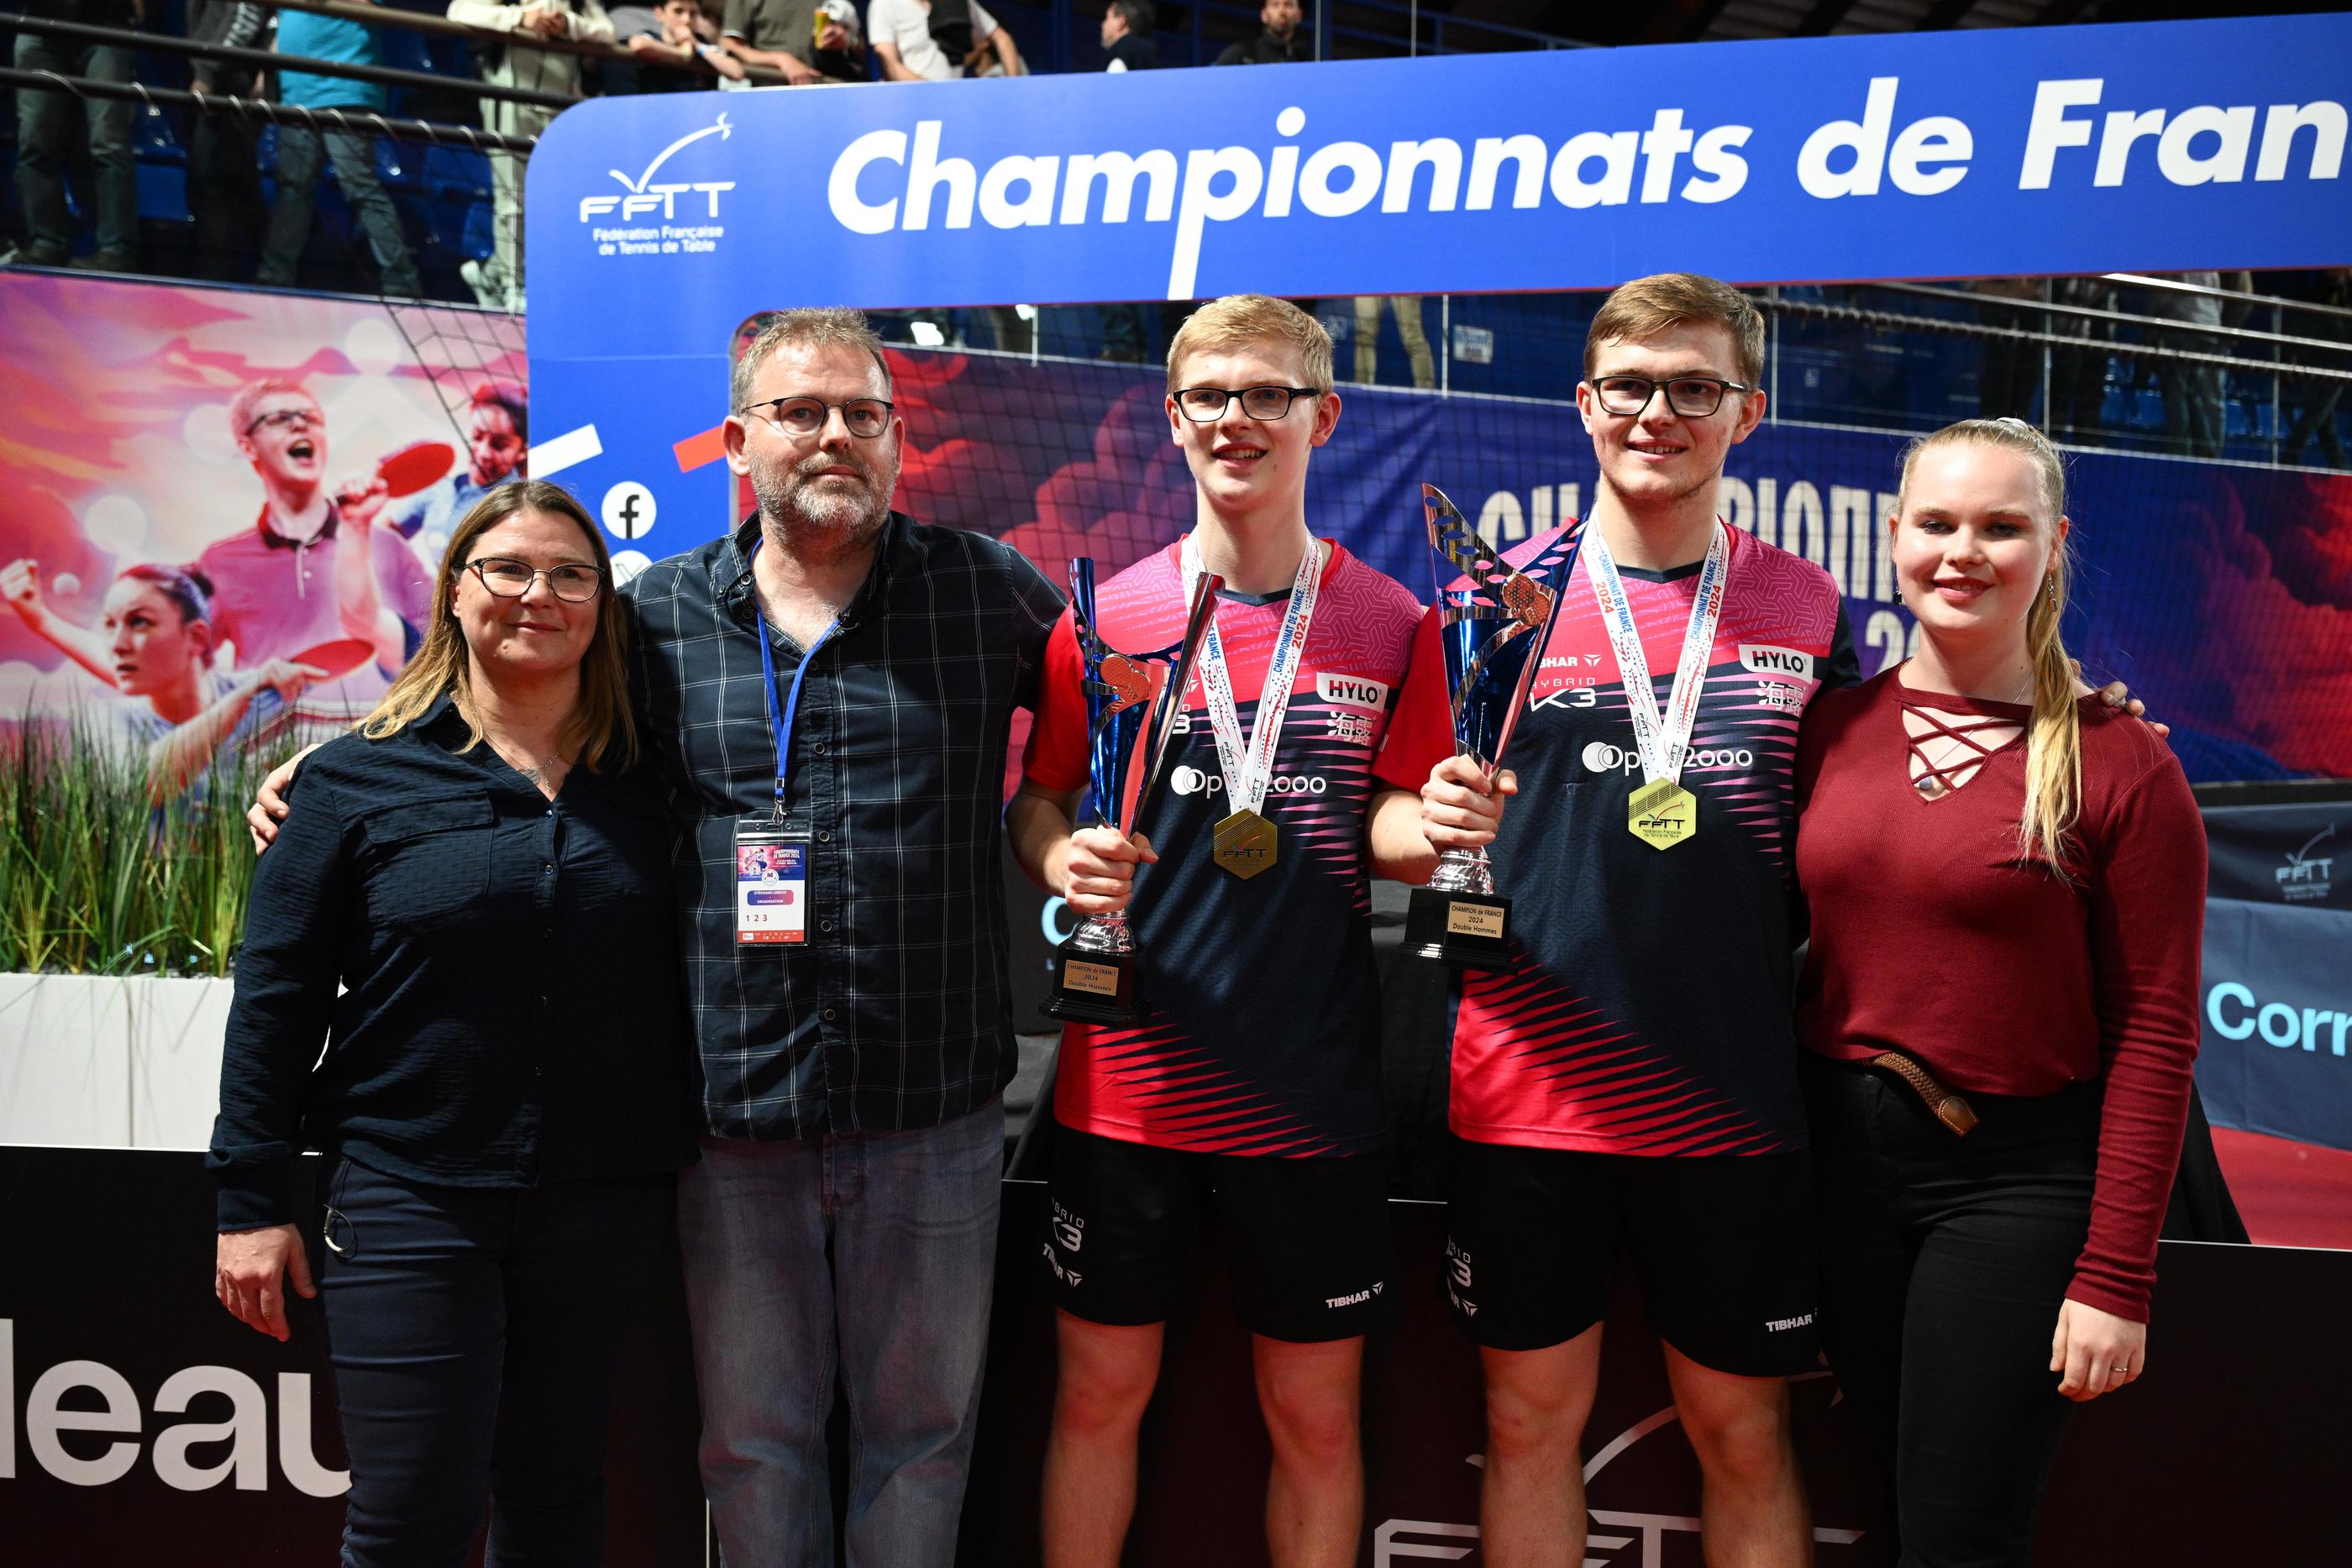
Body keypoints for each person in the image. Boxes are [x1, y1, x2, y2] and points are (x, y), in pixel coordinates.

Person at [249, 307, 1063, 1567]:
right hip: (729, 1107)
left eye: (863, 413)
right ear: (739, 439)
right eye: (801, 413)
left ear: (900, 438)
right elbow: (507, 717)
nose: (835, 435)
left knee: (925, 1434)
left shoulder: (991, 593)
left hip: (934, 1103)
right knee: (753, 1442)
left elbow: (1103, 737)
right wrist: (332, 767)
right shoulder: (655, 618)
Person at [1368, 272, 1842, 1568]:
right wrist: (1439, 821)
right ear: (1584, 403)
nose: (1659, 412)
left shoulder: (1808, 608)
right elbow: (1390, 825)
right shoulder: (1488, 600)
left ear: (1748, 411)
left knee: (1744, 1429)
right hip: (1526, 1094)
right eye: (1631, 384)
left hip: (1733, 1092)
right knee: (1526, 1423)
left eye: (1695, 387)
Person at [209, 480, 699, 1565]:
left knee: (559, 1498)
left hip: (603, 1198)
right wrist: (249, 1196)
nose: (539, 593)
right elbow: (275, 996)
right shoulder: (345, 784)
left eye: (571, 573)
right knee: (411, 1518)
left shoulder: (659, 784)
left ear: (602, 603)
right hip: (409, 1193)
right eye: (508, 569)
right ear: (455, 589)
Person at [1010, 295, 1423, 1568]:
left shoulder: (1396, 624)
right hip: (1123, 1093)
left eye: (1268, 395)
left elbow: (1401, 821)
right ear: (1173, 418)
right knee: (1094, 1401)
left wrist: (1462, 819)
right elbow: (1042, 801)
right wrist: (1057, 852)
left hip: (1310, 1095)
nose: (1238, 419)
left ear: (1322, 417)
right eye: (1211, 396)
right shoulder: (1103, 616)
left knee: (1313, 1417)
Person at [1793, 417, 2204, 1565]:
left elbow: (2159, 1033)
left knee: (1960, 1532)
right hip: (1838, 1176)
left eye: (2000, 526)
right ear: (1892, 536)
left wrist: (2117, 1272)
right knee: (1877, 1496)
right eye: (1936, 523)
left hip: (2012, 1185)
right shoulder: (1829, 728)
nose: (1962, 551)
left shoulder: (2126, 764)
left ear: (2054, 543)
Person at [195, 377, 433, 709]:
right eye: (280, 419)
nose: (299, 426)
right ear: (248, 446)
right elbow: (188, 672)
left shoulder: (389, 546)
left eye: (310, 418)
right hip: (268, 749)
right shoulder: (218, 562)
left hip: (374, 745)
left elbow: (441, 650)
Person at [0, 559, 314, 801]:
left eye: (140, 622)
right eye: (109, 625)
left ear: (195, 637)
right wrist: (41, 620)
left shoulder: (269, 693)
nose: (117, 645)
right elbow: (142, 784)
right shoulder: (109, 718)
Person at [449, 0, 615, 315]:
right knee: (513, 196)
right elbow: (459, 10)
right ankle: (513, 285)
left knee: (559, 204)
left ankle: (490, 274)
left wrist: (568, 25)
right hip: (511, 96)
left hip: (561, 104)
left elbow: (607, 31)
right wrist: (521, 17)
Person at [256, 0, 423, 298]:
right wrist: (265, 72)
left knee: (359, 184)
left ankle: (402, 284)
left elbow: (372, 7)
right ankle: (274, 279)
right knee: (292, 187)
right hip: (298, 91)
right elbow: (286, 18)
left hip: (347, 89)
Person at [9, 0, 140, 271]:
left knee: (108, 142)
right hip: (40, 26)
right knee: (35, 140)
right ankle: (46, 242)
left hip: (106, 25)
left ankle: (116, 249)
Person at [388, 382, 530, 567]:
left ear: (522, 451)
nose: (483, 453)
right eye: (477, 437)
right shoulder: (440, 489)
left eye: (499, 445)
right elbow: (386, 535)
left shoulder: (520, 503)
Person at [186, 0, 273, 281]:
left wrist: (207, 72)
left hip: (229, 76)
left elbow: (245, 15)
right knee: (232, 180)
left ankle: (219, 276)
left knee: (211, 180)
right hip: (228, 71)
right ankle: (266, 269)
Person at [869, 0, 1022, 82]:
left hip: (950, 104)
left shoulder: (957, 3)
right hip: (906, 101)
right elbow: (889, 63)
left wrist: (1014, 88)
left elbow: (1003, 39)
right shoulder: (886, 4)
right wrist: (935, 93)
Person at [720, 0, 862, 82]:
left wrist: (846, 39)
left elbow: (861, 46)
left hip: (830, 87)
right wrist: (782, 60)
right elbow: (731, 47)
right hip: (775, 92)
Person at [621, 0, 748, 87]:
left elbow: (736, 72)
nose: (686, 20)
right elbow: (638, 44)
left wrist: (696, 46)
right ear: (659, 14)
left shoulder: (702, 45)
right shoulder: (651, 37)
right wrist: (681, 53)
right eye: (678, 11)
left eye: (692, 13)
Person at [1351, 296, 1435, 390]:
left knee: (1412, 339)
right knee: (1364, 335)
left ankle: (1427, 393)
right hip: (1371, 281)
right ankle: (1362, 391)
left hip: (1403, 282)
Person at [1214, 0, 1307, 66]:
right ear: (1264, 15)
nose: (1282, 11)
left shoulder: (1307, 61)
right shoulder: (1240, 55)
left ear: (1299, 15)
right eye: (1275, 5)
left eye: (1288, 5)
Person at [1099, 0, 1155, 70]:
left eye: (1107, 18)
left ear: (1120, 22)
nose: (1103, 25)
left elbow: (1114, 80)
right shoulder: (1151, 53)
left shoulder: (1120, 54)